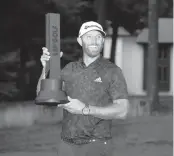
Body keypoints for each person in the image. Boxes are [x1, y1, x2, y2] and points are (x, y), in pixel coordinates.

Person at [37, 21, 129, 156]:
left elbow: (122, 110)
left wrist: (84, 109)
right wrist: (46, 67)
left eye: (98, 37)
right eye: (89, 36)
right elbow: (43, 95)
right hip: (67, 146)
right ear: (80, 41)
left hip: (97, 146)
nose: (94, 41)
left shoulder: (113, 71)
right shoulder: (69, 69)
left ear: (103, 41)